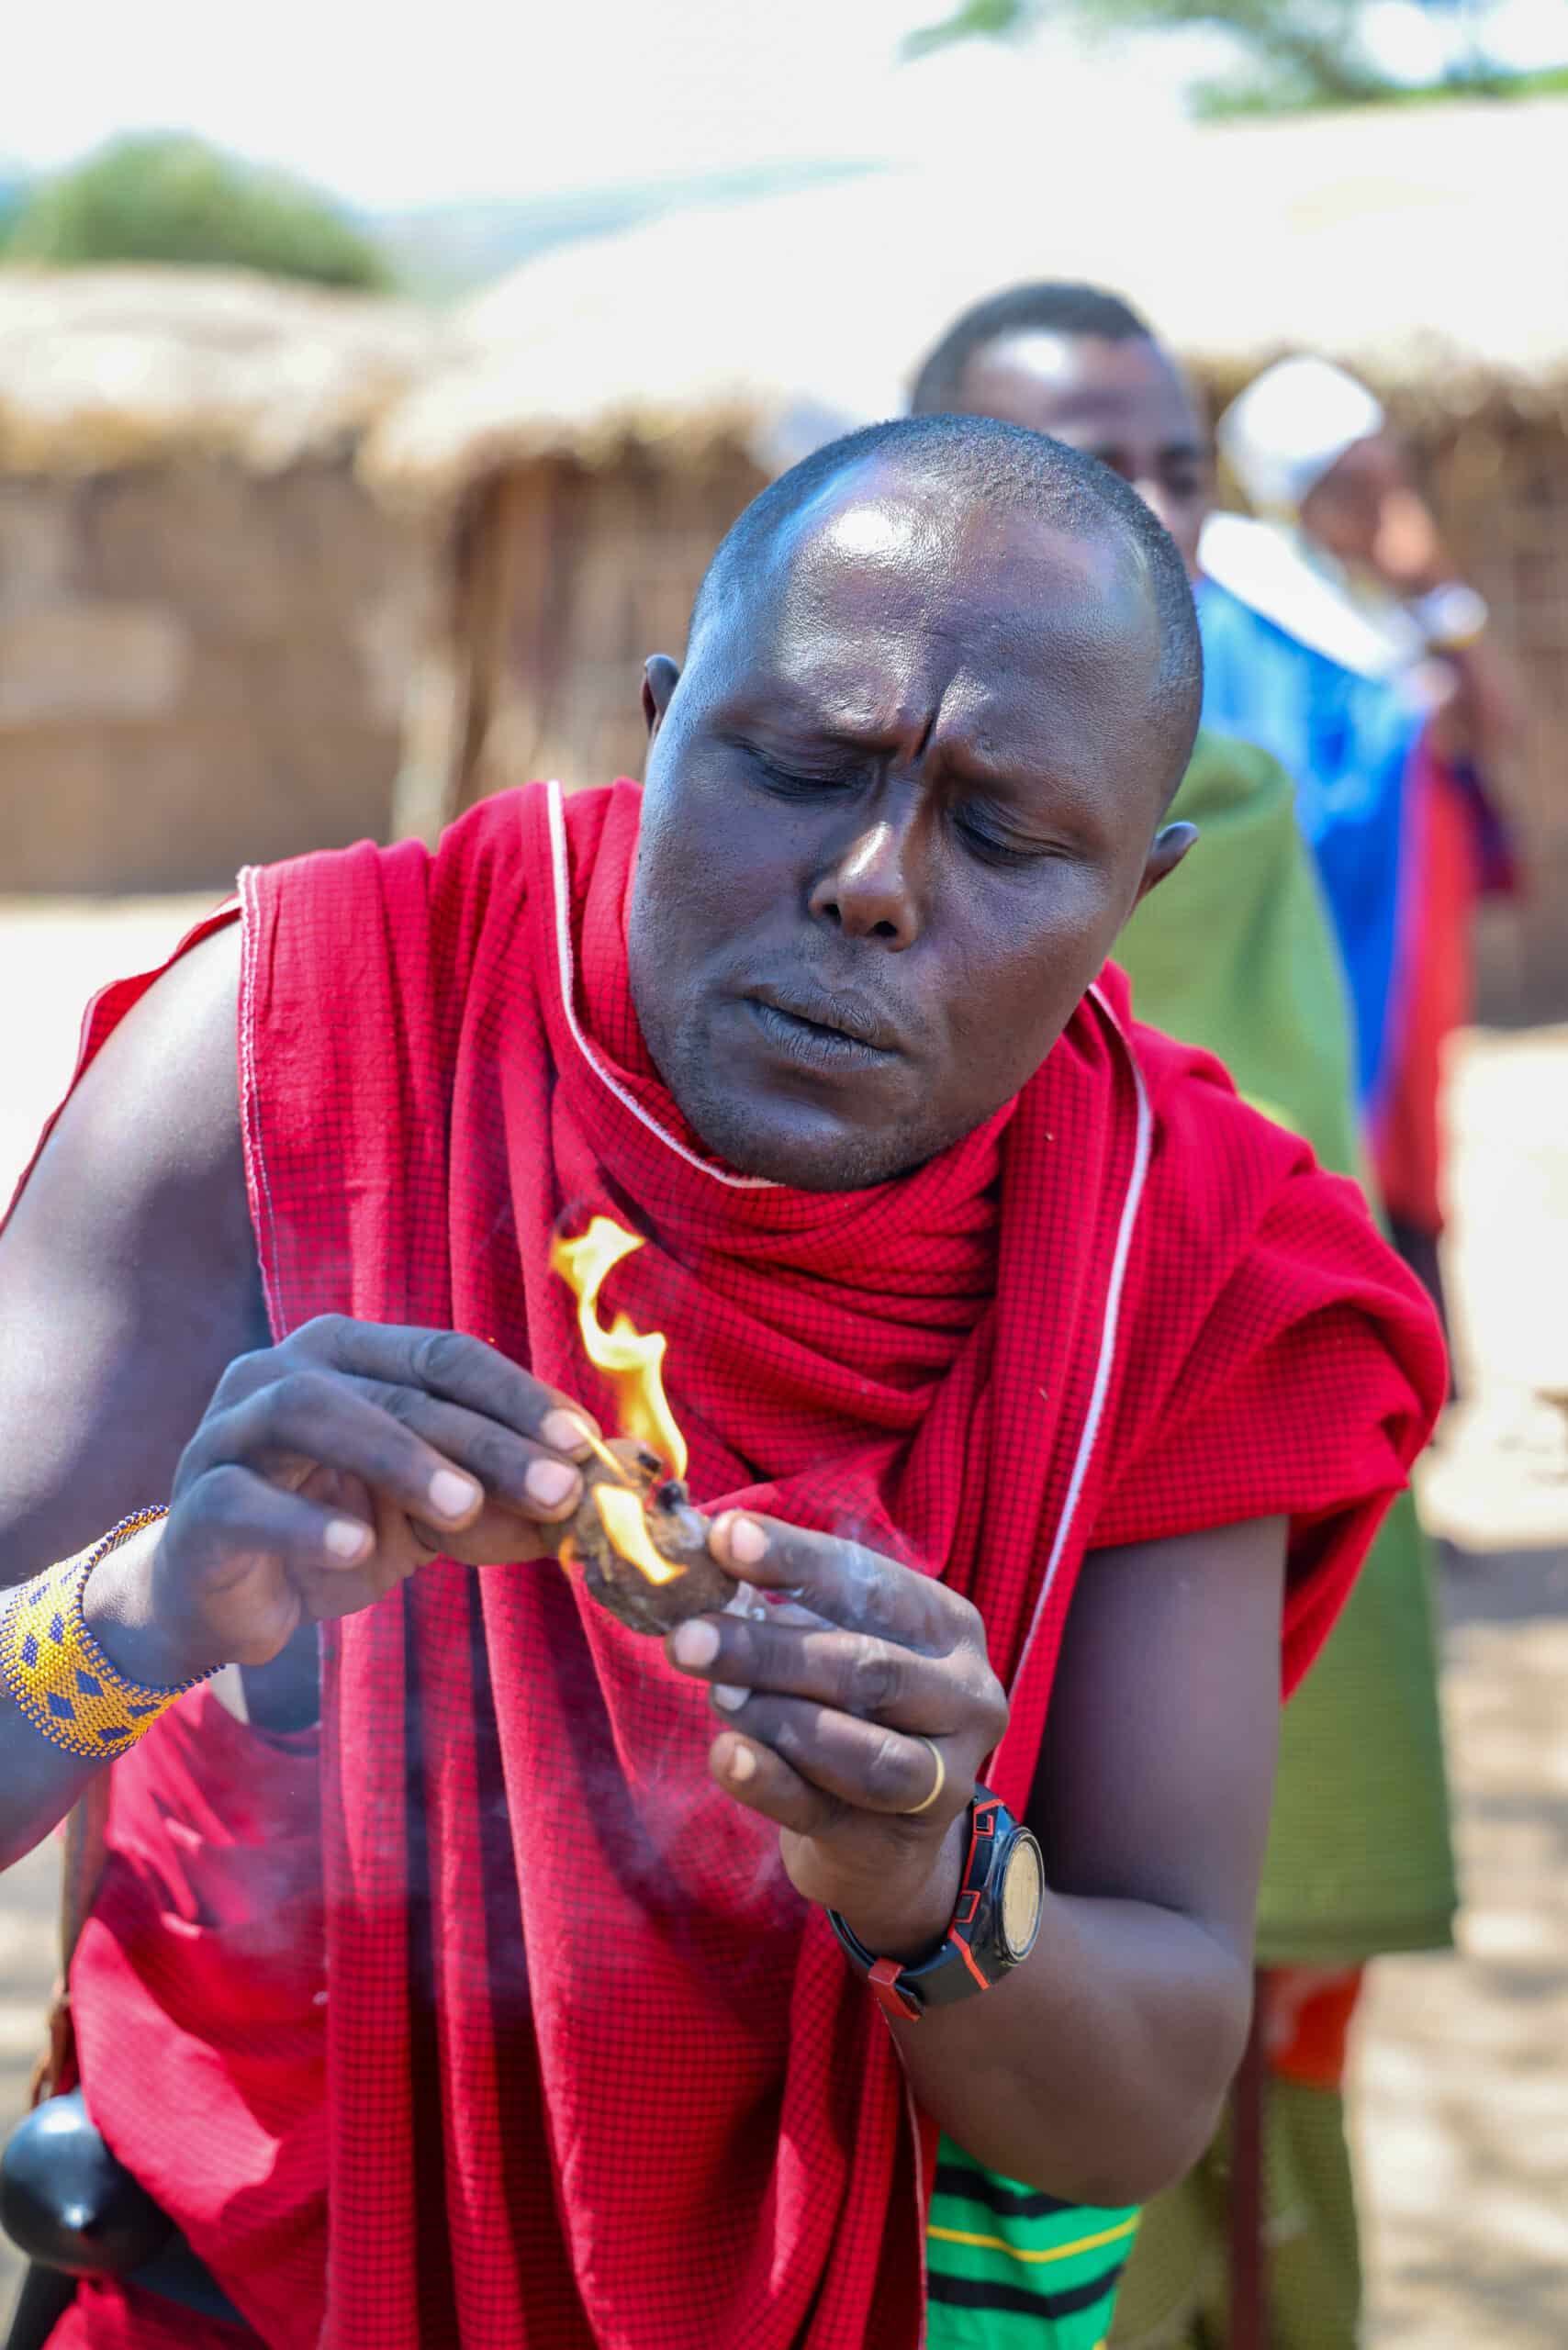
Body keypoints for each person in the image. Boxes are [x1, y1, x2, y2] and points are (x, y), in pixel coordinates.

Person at [0, 417, 1444, 2350]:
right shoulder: (301, 1038)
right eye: (797, 766)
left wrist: (927, 1877)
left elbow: (1135, 2102)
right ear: (662, 721)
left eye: (1004, 834)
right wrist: (142, 1604)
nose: (869, 881)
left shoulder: (1174, 1253)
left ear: (1136, 890)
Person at [912, 287, 1456, 2347]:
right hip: (988, 1531)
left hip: (1231, 1497)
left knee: (1227, 2087)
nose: (1144, 508)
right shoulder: (871, 823)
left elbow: (1296, 1236)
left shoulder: (1230, 794)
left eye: (1174, 466)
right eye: (1082, 461)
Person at [1205, 354, 1522, 1322]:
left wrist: (1430, 584)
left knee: (1417, 1110)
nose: (1386, 502)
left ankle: (1425, 1338)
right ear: (1298, 496)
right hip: (1333, 917)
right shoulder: (1251, 607)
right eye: (1357, 482)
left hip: (1409, 910)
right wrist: (1404, 728)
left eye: (1390, 473)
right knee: (1341, 1114)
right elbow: (1277, 781)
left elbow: (1497, 726)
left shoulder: (1375, 603)